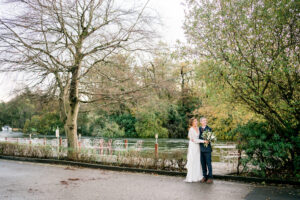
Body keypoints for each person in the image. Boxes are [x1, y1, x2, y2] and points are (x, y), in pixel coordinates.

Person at [185, 117, 208, 182]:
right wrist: (203, 141)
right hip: (193, 146)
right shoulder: (191, 130)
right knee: (193, 160)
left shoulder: (198, 128)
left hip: (198, 146)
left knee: (198, 160)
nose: (196, 122)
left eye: (196, 121)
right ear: (192, 123)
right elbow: (193, 140)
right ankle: (191, 177)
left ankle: (198, 176)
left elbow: (200, 136)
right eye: (195, 121)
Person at [199, 117, 213, 184]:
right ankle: (204, 176)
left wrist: (209, 140)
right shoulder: (198, 129)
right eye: (203, 121)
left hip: (207, 149)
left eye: (206, 120)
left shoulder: (209, 129)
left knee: (209, 164)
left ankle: (210, 177)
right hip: (201, 149)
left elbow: (210, 139)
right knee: (203, 164)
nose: (205, 122)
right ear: (201, 122)